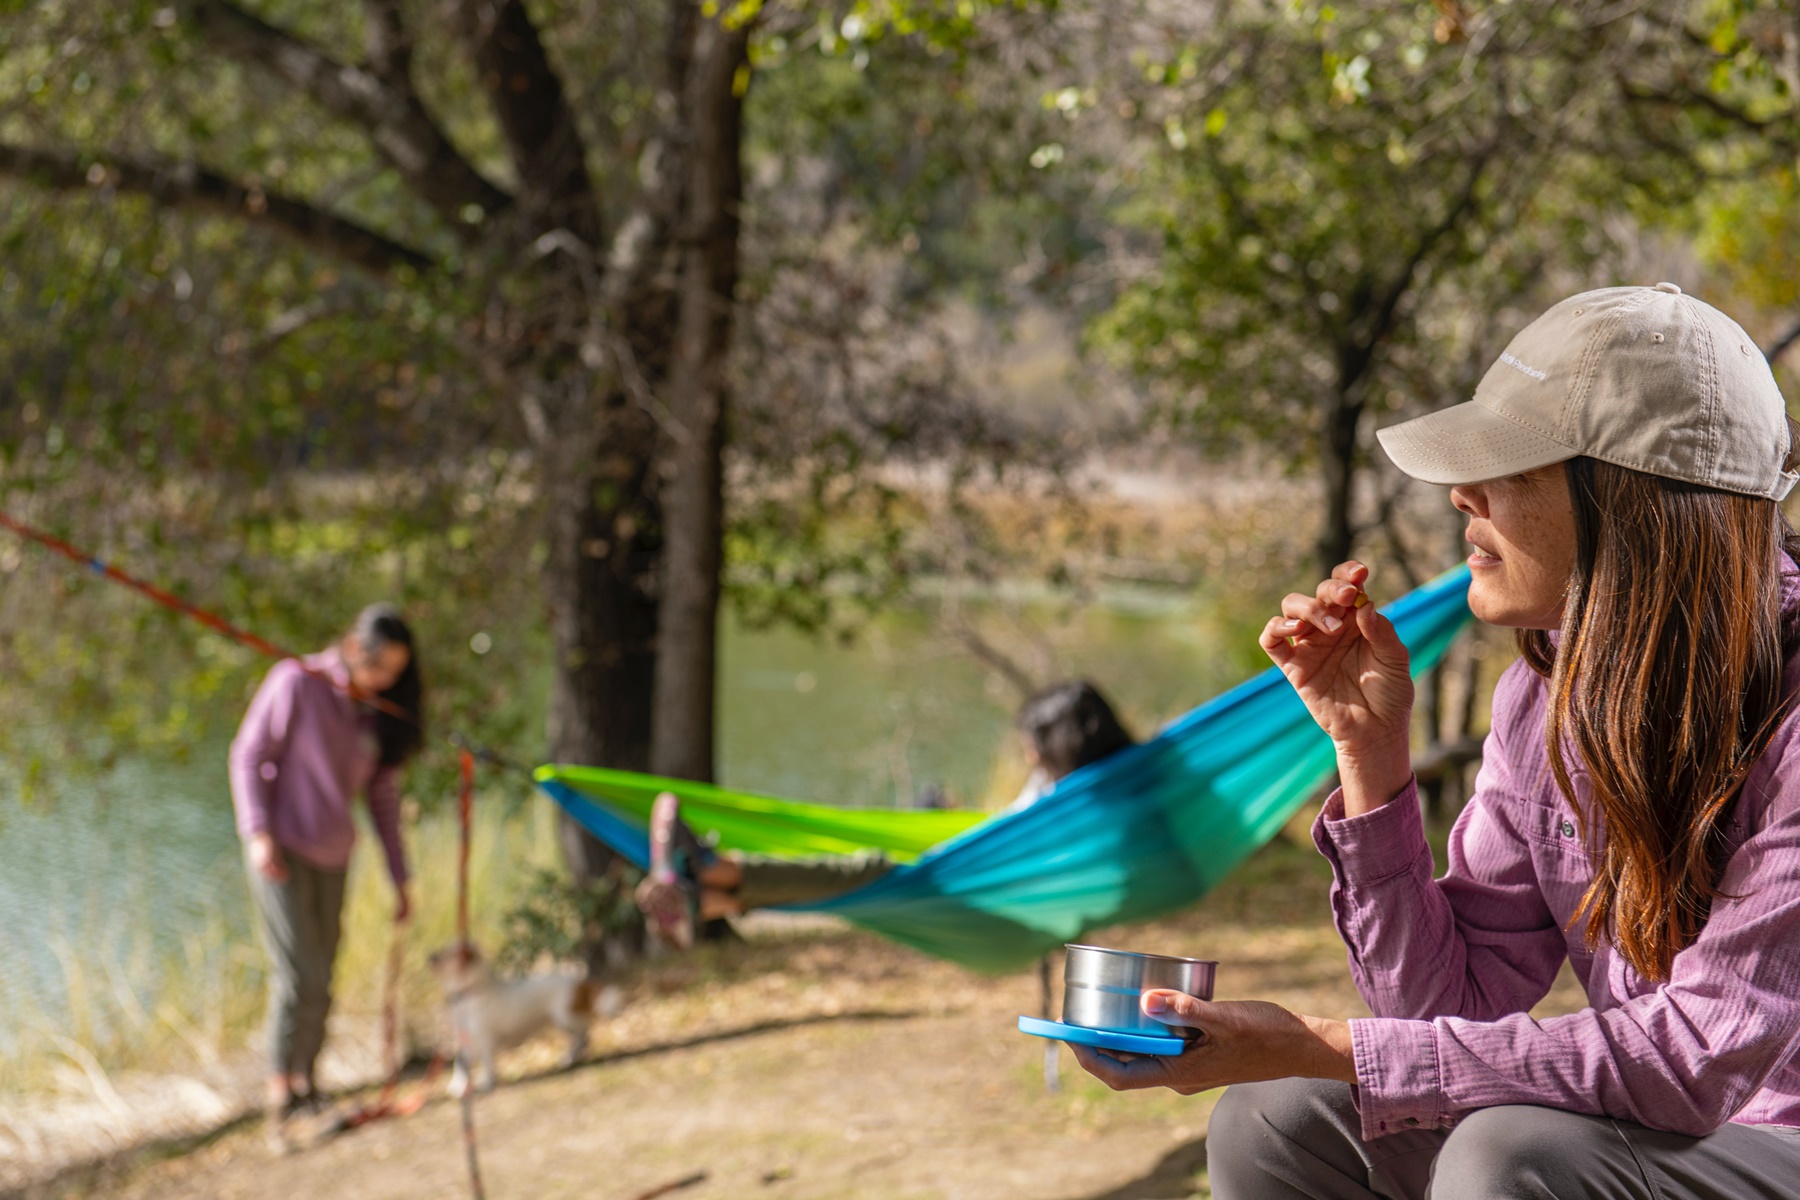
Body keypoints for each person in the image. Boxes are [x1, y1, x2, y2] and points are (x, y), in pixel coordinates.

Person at [1070, 283, 1800, 1198]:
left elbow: (1695, 1058)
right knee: (1280, 1118)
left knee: (1510, 1156)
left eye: (1514, 467)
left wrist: (1324, 1042)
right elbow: (1446, 1008)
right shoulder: (1544, 699)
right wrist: (1369, 759)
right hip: (1670, 1139)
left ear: (1631, 503)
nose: (1462, 493)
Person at [635, 680, 1135, 943]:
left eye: (1035, 748)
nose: (1028, 757)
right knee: (860, 880)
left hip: (994, 895)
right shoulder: (1064, 787)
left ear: (1067, 743)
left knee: (869, 873)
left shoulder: (1088, 803)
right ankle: (702, 898)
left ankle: (704, 872)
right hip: (975, 870)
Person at [229, 603, 423, 1151]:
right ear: (356, 647)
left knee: (324, 975)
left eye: (397, 672)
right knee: (297, 975)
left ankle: (308, 1085)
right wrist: (258, 830)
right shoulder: (297, 681)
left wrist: (400, 876)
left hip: (334, 854)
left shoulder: (373, 713)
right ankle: (280, 1099)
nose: (388, 678)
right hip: (281, 852)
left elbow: (382, 800)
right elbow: (247, 755)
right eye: (381, 665)